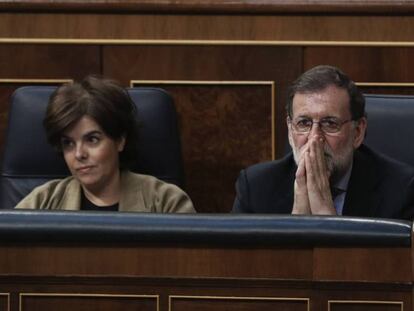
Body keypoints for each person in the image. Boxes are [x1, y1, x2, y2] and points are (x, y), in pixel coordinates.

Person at [232, 65, 414, 219]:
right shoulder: (255, 188)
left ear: (358, 132)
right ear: (290, 130)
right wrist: (295, 224)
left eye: (330, 124)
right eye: (304, 123)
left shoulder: (403, 191)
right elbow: (241, 261)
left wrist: (325, 215)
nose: (314, 138)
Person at [15, 76, 195, 213]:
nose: (79, 154)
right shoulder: (42, 202)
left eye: (92, 139)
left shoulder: (166, 202)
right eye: (68, 143)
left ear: (120, 140)